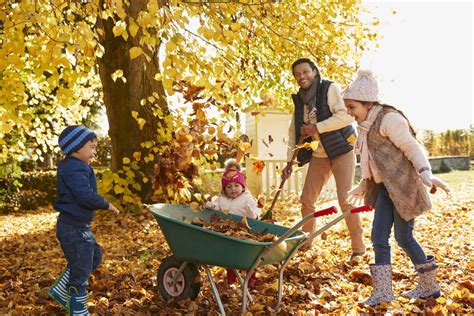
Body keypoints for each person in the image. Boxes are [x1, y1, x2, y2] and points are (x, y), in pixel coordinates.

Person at [342, 69, 450, 306]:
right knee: (378, 237)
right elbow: (372, 160)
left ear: (367, 103)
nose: (350, 113)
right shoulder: (366, 126)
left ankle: (429, 287)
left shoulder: (389, 119)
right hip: (384, 190)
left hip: (402, 187)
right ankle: (382, 292)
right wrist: (363, 183)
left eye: (352, 107)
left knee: (404, 237)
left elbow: (412, 148)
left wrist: (426, 173)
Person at [282, 58, 365, 257]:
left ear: (314, 72)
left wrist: (317, 127)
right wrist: (289, 162)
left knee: (346, 199)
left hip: (342, 150)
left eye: (305, 72)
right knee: (307, 199)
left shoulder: (330, 89)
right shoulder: (300, 100)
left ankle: (358, 248)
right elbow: (294, 132)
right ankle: (306, 241)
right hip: (320, 155)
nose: (301, 77)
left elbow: (346, 116)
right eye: (297, 74)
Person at [48, 125, 119, 314]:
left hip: (79, 226)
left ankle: (62, 289)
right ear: (77, 148)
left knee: (94, 257)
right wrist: (105, 204)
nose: (95, 152)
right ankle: (78, 309)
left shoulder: (78, 166)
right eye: (92, 147)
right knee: (80, 270)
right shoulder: (73, 168)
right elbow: (84, 195)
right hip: (72, 228)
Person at [205, 159, 261, 288]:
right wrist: (211, 205)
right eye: (229, 187)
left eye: (236, 185)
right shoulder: (222, 198)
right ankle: (231, 279)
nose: (233, 189)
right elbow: (217, 206)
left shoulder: (247, 198)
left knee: (248, 256)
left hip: (245, 231)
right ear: (224, 189)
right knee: (230, 257)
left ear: (242, 186)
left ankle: (251, 277)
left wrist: (251, 213)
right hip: (228, 231)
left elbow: (257, 212)